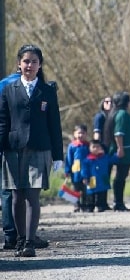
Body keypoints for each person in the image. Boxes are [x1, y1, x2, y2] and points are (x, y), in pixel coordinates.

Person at [0, 44, 63, 257]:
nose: (30, 65)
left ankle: (29, 242)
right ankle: (18, 240)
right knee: (16, 196)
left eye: (34, 61)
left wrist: (58, 156)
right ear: (19, 64)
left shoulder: (47, 91)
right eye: (26, 61)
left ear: (40, 65)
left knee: (32, 196)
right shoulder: (9, 90)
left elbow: (55, 124)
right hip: (13, 149)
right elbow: (3, 122)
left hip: (40, 148)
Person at [103, 91, 130, 212]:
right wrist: (120, 148)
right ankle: (118, 202)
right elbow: (119, 133)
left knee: (119, 177)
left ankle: (116, 201)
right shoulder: (122, 115)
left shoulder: (116, 113)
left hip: (123, 149)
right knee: (120, 177)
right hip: (123, 150)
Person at [81, 140, 117, 212]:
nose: (95, 149)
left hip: (102, 179)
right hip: (92, 179)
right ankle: (90, 207)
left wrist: (117, 154)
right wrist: (85, 177)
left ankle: (101, 206)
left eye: (98, 147)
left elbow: (113, 160)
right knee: (91, 194)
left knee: (102, 193)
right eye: (93, 147)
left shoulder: (104, 157)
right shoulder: (87, 160)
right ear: (89, 148)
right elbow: (84, 169)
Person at [64, 124, 90, 212]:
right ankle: (76, 205)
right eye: (79, 133)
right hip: (75, 172)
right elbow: (68, 159)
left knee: (85, 189)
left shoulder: (88, 145)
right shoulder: (72, 146)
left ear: (86, 134)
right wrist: (67, 170)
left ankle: (85, 205)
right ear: (74, 134)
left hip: (86, 171)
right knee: (76, 189)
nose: (80, 135)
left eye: (83, 133)